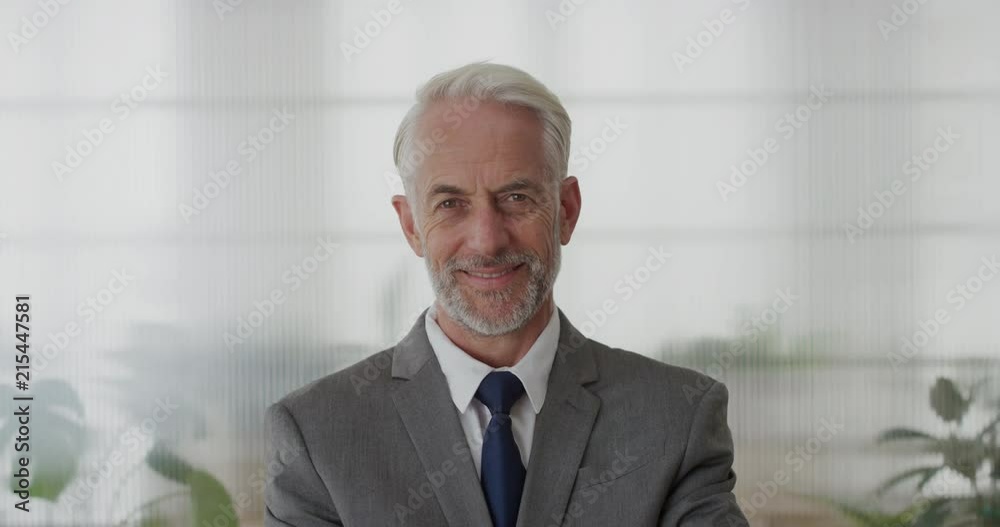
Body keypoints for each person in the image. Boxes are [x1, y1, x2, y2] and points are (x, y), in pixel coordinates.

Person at [265, 62, 748, 526]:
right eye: (450, 204)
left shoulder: (677, 416)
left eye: (517, 198)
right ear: (411, 226)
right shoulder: (317, 432)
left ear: (567, 209)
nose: (487, 240)